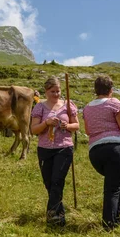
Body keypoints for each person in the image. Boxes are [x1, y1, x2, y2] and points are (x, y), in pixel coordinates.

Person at [83, 75, 120, 230]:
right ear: (111, 89)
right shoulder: (114, 103)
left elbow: (88, 130)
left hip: (95, 151)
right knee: (113, 188)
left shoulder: (88, 108)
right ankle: (109, 224)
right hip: (115, 148)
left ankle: (116, 217)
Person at [31, 78, 79, 227]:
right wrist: (46, 123)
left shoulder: (68, 105)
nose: (56, 94)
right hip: (45, 148)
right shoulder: (40, 107)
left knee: (57, 180)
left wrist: (67, 125)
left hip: (64, 147)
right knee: (49, 183)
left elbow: (76, 125)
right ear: (46, 91)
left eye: (58, 91)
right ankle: (59, 212)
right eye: (53, 91)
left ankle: (52, 216)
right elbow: (33, 130)